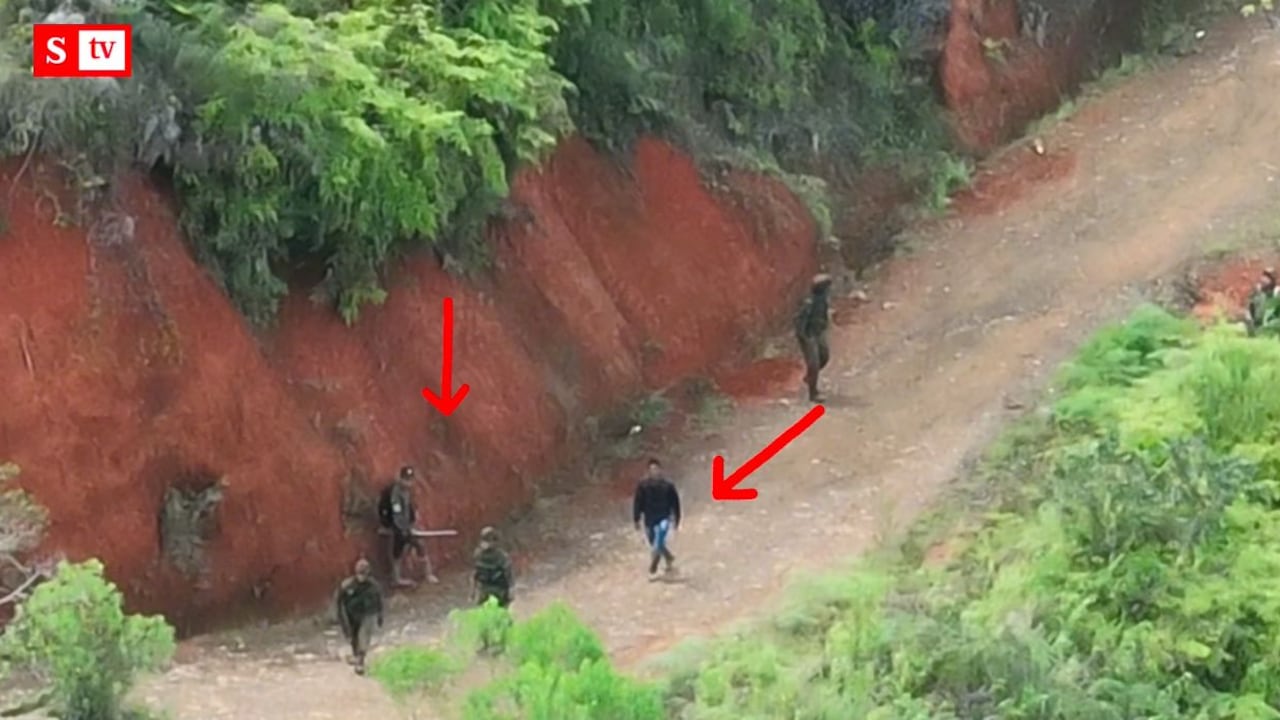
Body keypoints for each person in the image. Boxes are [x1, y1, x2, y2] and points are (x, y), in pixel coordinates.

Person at [377, 465, 438, 587]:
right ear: (400, 478)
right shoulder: (395, 492)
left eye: (410, 479)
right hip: (397, 527)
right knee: (397, 552)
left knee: (420, 546)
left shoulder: (407, 492)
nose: (409, 482)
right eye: (406, 479)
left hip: (408, 526)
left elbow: (409, 508)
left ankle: (428, 574)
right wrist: (402, 529)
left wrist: (413, 522)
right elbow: (397, 513)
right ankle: (397, 578)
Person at [632, 458, 681, 580]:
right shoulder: (643, 485)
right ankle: (668, 557)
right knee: (653, 541)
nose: (655, 471)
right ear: (648, 471)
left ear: (660, 470)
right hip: (649, 517)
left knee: (659, 538)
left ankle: (654, 562)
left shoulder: (668, 485)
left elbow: (675, 502)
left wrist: (677, 518)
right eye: (652, 469)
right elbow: (637, 502)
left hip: (664, 516)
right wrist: (636, 518)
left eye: (656, 469)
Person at [334, 558, 384, 675]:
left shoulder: (373, 586)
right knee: (353, 638)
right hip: (351, 615)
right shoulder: (347, 585)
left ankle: (360, 661)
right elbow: (338, 601)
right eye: (360, 573)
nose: (362, 576)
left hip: (367, 614)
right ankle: (357, 657)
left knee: (364, 637)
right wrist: (339, 617)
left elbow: (379, 600)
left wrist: (380, 616)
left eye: (364, 574)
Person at [794, 273, 833, 402]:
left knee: (824, 356)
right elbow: (800, 322)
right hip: (809, 334)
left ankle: (810, 377)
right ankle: (813, 393)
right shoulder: (809, 303)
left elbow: (823, 313)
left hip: (818, 332)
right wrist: (805, 337)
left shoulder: (822, 300)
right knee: (814, 364)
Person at [471, 526, 514, 608]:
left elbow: (508, 573)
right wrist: (473, 591)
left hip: (499, 588)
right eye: (486, 540)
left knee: (502, 609)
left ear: (495, 542)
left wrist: (510, 590)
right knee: (480, 609)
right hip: (485, 587)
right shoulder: (478, 554)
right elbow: (476, 573)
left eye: (490, 540)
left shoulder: (501, 556)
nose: (488, 543)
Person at [1247, 268, 1279, 335]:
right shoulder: (1257, 293)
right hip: (1258, 324)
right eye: (1263, 276)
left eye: (1267, 277)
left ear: (1272, 280)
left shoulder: (1277, 293)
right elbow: (1249, 308)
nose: (1263, 280)